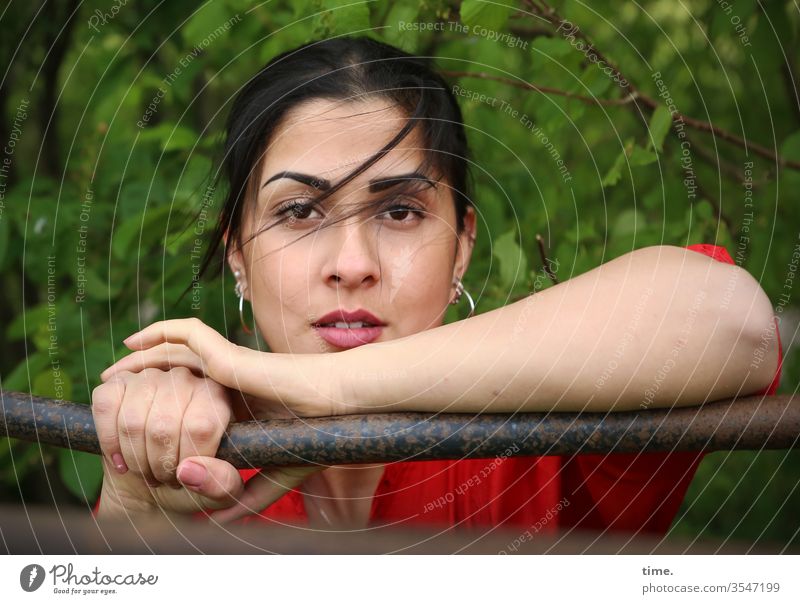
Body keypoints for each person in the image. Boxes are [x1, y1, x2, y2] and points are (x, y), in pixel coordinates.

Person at [91, 36, 782, 534]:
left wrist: (322, 390)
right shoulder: (196, 460)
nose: (353, 263)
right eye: (300, 211)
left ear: (461, 250)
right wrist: (134, 498)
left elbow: (736, 321)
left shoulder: (545, 440)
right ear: (236, 255)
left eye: (399, 210)